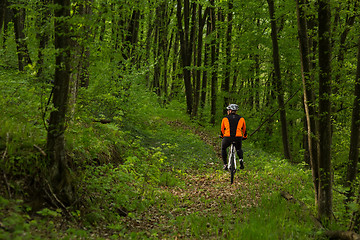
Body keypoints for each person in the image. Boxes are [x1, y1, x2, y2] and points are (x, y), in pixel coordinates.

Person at [220, 104, 246, 170]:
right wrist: (245, 136)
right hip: (238, 137)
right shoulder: (241, 119)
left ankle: (225, 164)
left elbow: (222, 129)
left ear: (230, 110)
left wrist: (222, 136)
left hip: (227, 137)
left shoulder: (225, 118)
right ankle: (241, 160)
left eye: (228, 110)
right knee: (239, 149)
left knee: (223, 148)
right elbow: (244, 129)